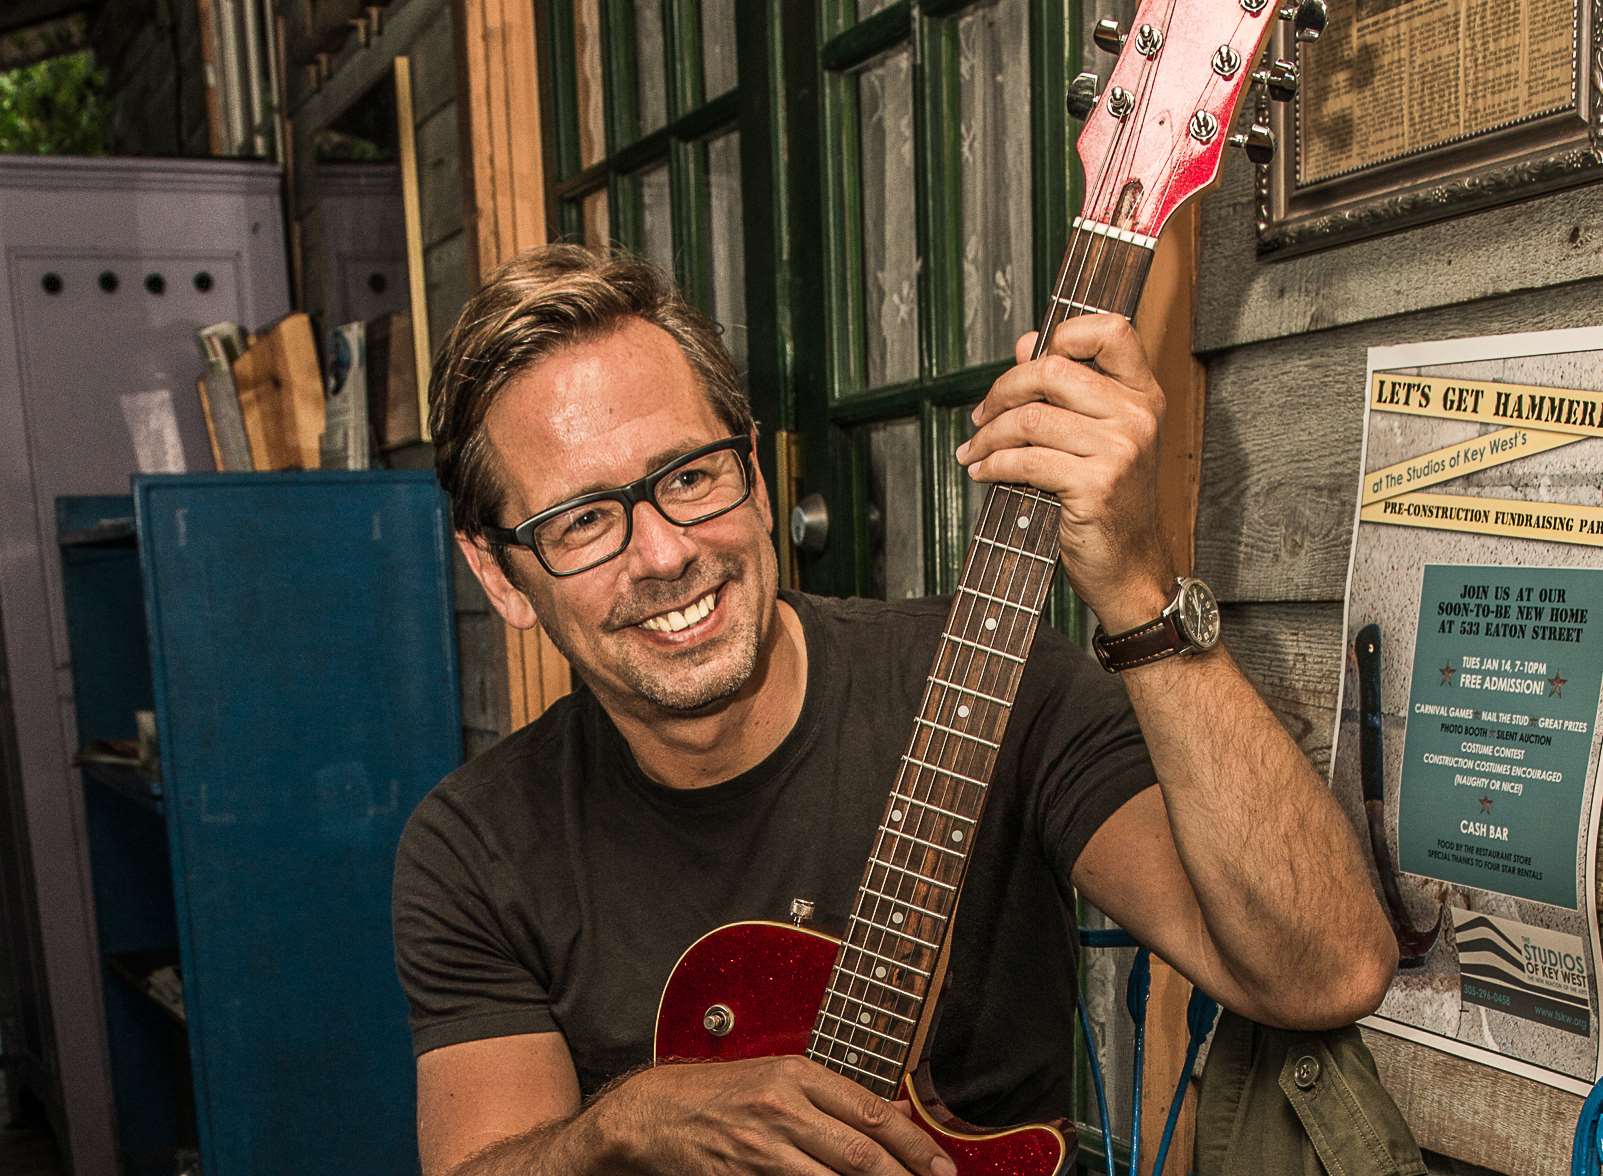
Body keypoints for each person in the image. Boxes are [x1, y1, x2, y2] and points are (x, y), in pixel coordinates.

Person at [394, 244, 1396, 1176]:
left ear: (752, 465)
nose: (663, 554)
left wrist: (1135, 587)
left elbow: (1322, 973)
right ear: (501, 575)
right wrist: (625, 1123)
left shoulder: (999, 687)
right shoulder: (477, 845)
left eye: (690, 476)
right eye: (582, 521)